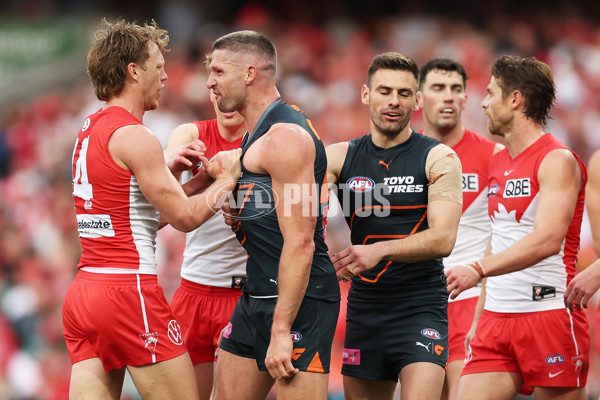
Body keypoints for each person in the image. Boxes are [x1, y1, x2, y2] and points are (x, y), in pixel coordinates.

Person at [63, 18, 241, 400]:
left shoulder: (88, 128)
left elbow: (133, 218)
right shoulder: (136, 135)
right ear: (134, 71)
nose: (165, 78)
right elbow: (186, 218)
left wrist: (189, 184)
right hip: (128, 292)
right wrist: (227, 178)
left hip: (85, 294)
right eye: (159, 68)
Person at [206, 30, 340, 400]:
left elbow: (300, 243)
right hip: (257, 293)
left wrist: (281, 328)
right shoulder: (259, 133)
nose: (209, 82)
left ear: (249, 73)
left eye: (218, 71)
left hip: (300, 301)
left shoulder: (285, 137)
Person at [446, 55, 589, 400]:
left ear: (515, 99)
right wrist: (479, 317)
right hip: (494, 320)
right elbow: (497, 238)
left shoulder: (557, 159)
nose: (482, 102)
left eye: (490, 93)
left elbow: (548, 240)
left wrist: (476, 270)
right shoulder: (498, 160)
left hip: (547, 314)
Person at [326, 52, 463, 400]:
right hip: (364, 308)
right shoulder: (338, 158)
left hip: (420, 307)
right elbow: (294, 206)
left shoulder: (439, 157)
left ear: (417, 100)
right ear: (365, 94)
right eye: (384, 91)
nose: (393, 101)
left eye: (403, 93)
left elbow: (444, 238)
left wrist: (379, 250)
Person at [418, 58, 503, 400]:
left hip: (469, 300)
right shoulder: (398, 157)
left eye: (456, 89)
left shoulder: (495, 156)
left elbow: (508, 232)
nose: (448, 97)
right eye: (438, 88)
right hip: (415, 302)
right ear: (419, 98)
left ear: (467, 98)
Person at [164, 86, 247, 400]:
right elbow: (159, 217)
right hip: (192, 293)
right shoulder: (189, 135)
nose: (224, 100)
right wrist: (199, 182)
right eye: (216, 88)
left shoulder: (267, 141)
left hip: (242, 295)